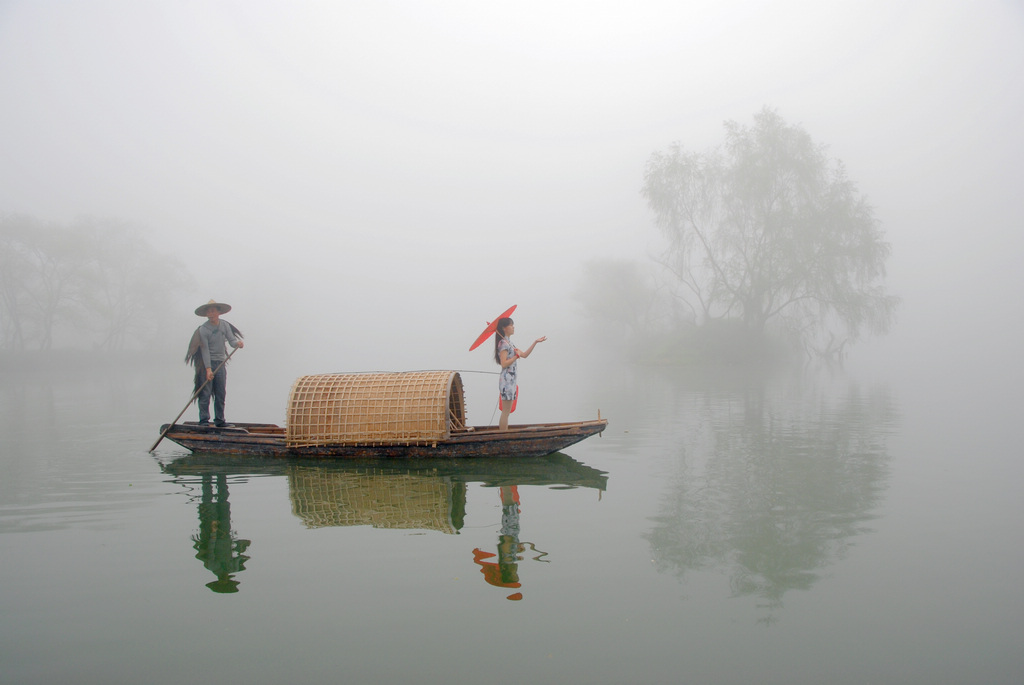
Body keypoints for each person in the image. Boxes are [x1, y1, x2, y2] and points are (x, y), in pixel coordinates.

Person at [186, 300, 244, 428]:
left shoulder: (224, 325)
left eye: (212, 311)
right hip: (207, 364)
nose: (210, 314)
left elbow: (232, 340)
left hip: (220, 363)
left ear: (218, 312)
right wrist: (208, 369)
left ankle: (219, 420)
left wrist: (238, 344)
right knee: (205, 393)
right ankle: (204, 421)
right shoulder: (204, 329)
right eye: (208, 311)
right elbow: (205, 350)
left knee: (220, 393)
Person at [493, 317, 545, 430]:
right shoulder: (503, 343)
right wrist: (516, 357)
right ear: (504, 328)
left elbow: (524, 355)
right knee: (506, 412)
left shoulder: (510, 343)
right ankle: (502, 436)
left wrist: (535, 342)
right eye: (511, 325)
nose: (513, 327)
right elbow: (503, 364)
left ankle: (503, 434)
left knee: (508, 411)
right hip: (506, 380)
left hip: (511, 380)